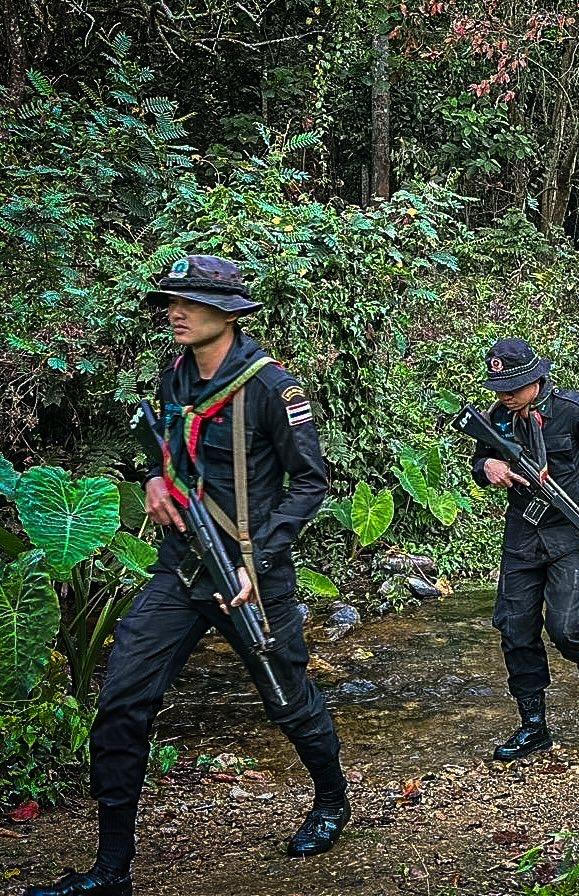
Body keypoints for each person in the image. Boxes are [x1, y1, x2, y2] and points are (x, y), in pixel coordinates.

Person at [26, 257, 347, 896]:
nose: (176, 312)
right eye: (172, 301)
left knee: (287, 700)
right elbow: (166, 450)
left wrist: (259, 558)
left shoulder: (271, 389)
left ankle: (331, 801)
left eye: (191, 303)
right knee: (121, 702)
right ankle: (111, 869)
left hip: (250, 576)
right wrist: (154, 479)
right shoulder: (175, 375)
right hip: (181, 567)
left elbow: (311, 482)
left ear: (227, 314)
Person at [469, 338, 579, 761]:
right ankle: (534, 725)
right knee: (515, 629)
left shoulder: (572, 410)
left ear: (536, 379)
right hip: (522, 536)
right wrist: (488, 466)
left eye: (513, 387)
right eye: (499, 388)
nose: (505, 395)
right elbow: (479, 463)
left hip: (570, 534)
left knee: (566, 626)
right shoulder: (496, 418)